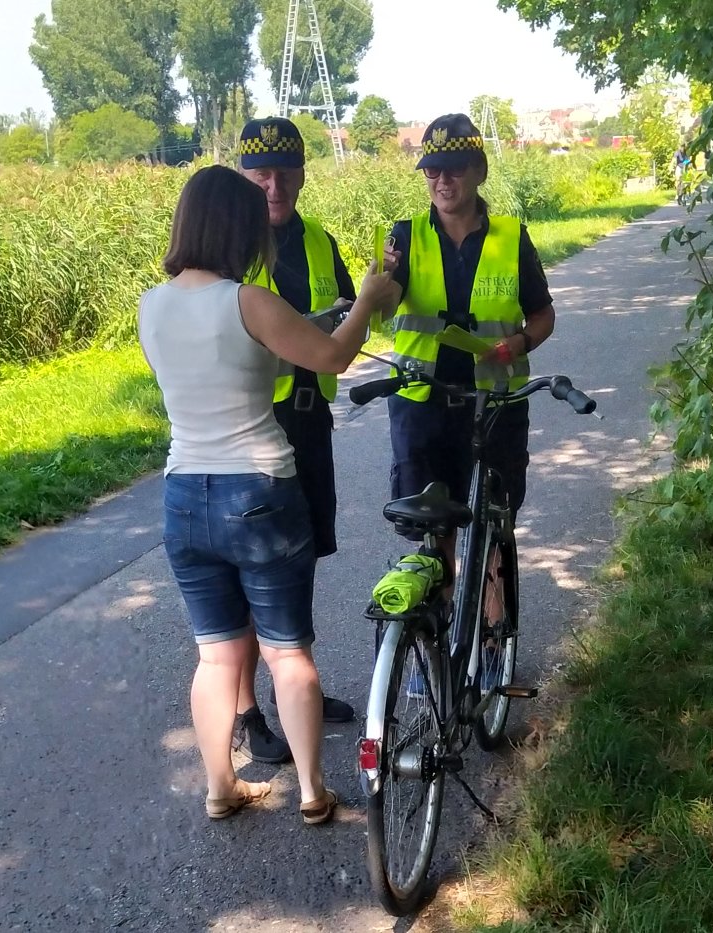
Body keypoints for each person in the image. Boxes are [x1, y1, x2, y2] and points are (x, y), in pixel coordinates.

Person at [138, 165, 399, 824]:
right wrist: (365, 300)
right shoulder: (249, 300)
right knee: (286, 650)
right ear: (237, 227)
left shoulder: (152, 305)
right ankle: (313, 791)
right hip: (259, 488)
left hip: (183, 495)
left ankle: (220, 786)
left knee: (216, 654)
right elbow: (333, 356)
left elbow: (235, 362)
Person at [381, 114, 555, 682]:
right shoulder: (403, 237)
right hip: (422, 405)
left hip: (494, 408)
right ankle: (438, 644)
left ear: (477, 171)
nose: (441, 182)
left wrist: (520, 342)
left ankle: (493, 650)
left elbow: (543, 314)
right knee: (436, 532)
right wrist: (376, 287)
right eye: (431, 170)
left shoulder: (510, 237)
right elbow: (380, 305)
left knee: (493, 528)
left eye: (453, 170)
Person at [232, 117, 356, 766]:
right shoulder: (228, 249)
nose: (273, 184)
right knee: (257, 568)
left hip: (309, 425)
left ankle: (297, 688)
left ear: (303, 173)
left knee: (300, 561)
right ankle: (247, 709)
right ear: (244, 176)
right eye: (260, 172)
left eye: (284, 170)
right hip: (255, 429)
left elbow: (346, 308)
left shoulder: (319, 240)